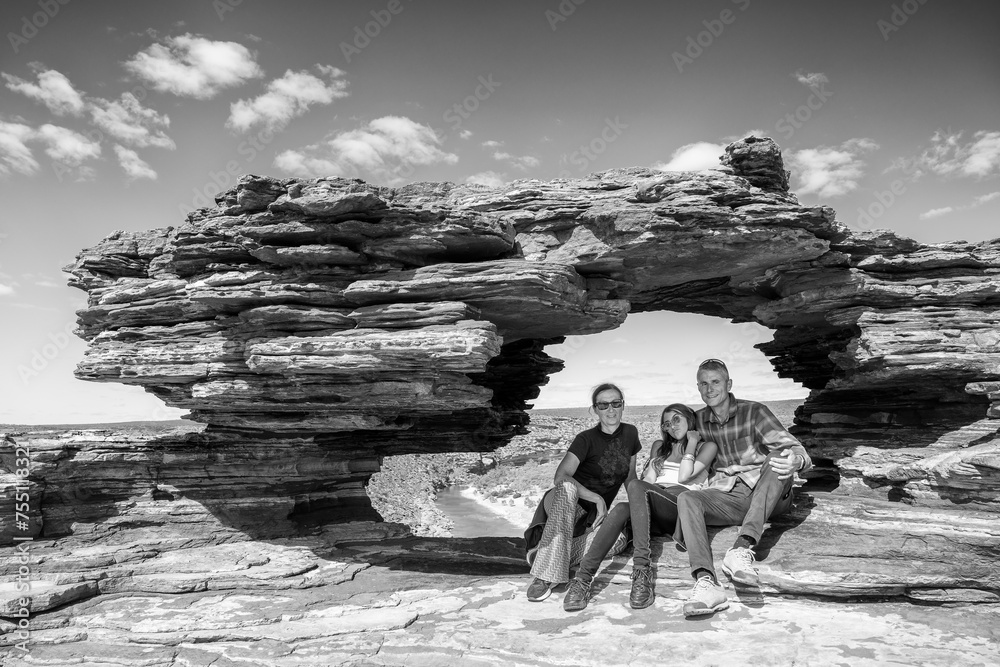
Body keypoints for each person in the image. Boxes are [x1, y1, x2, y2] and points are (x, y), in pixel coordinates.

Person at [675, 358, 812, 618]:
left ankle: (741, 548)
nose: (709, 389)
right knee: (688, 499)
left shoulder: (755, 412)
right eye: (703, 384)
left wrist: (798, 460)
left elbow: (792, 446)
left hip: (768, 492)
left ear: (728, 384)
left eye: (715, 382)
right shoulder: (699, 420)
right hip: (730, 496)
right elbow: (674, 443)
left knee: (779, 457)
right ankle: (706, 583)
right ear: (697, 387)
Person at [562, 403, 717, 611]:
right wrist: (647, 480)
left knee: (636, 485)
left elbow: (684, 476)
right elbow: (650, 481)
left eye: (677, 419)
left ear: (690, 418)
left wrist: (692, 442)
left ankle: (642, 570)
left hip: (680, 505)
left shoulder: (706, 446)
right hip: (652, 503)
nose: (672, 426)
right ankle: (583, 579)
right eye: (667, 423)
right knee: (620, 509)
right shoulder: (658, 447)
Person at [523, 383, 641, 601]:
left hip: (589, 519)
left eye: (616, 403)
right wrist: (597, 499)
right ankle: (544, 576)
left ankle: (543, 556)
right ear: (595, 409)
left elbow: (630, 476)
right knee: (568, 490)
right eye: (604, 405)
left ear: (623, 405)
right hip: (564, 503)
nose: (611, 409)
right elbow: (561, 477)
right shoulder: (585, 439)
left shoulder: (631, 434)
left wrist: (641, 509)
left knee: (619, 539)